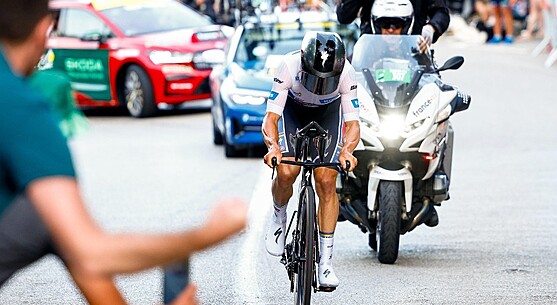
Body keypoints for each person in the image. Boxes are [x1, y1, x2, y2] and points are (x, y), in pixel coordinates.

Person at [0, 1, 247, 303]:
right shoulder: (24, 104)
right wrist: (207, 235)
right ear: (44, 31)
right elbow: (91, 253)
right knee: (52, 220)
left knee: (50, 218)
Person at [262, 31, 360, 289]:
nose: (319, 85)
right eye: (314, 78)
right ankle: (278, 216)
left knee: (327, 179)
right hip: (293, 112)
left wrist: (347, 151)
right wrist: (273, 148)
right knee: (286, 171)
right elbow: (271, 119)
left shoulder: (347, 73)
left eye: (325, 81)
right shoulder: (287, 66)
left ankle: (325, 263)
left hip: (328, 113)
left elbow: (352, 124)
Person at [337, 0, 450, 52]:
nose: (391, 29)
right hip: (371, 54)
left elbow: (441, 12)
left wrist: (432, 27)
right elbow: (344, 17)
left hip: (413, 53)